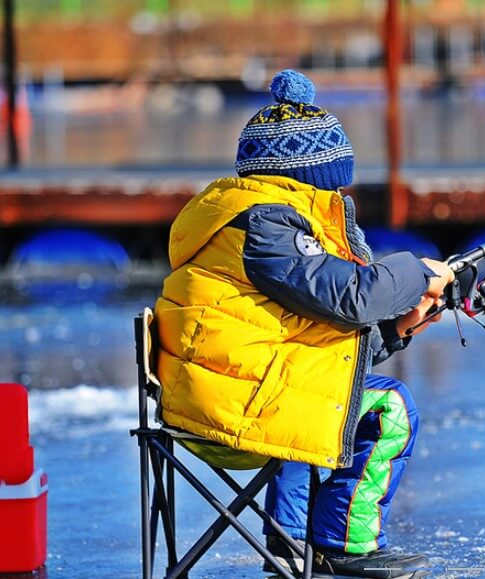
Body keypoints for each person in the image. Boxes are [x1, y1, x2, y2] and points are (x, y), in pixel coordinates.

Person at [154, 69, 453, 578]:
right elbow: (353, 297)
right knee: (391, 409)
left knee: (320, 395)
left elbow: (317, 343)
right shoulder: (267, 224)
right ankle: (343, 544)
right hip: (230, 405)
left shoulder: (243, 217)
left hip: (234, 389)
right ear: (313, 173)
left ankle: (294, 541)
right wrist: (419, 269)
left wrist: (398, 327)